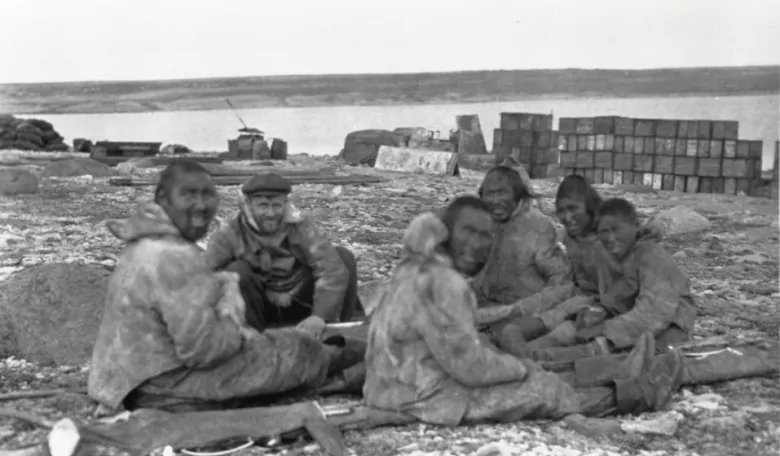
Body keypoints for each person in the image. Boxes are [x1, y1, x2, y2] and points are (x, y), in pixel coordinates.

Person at [363, 196, 686, 425]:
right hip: (425, 398)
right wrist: (521, 370)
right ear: (448, 233)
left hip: (384, 388)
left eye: (485, 236)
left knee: (512, 359)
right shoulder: (446, 283)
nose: (477, 245)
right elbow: (470, 369)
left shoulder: (410, 268)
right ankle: (637, 396)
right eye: (468, 233)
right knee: (546, 390)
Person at [88, 161, 348, 412]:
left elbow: (332, 269)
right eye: (188, 197)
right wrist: (236, 326)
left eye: (207, 198)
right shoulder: (181, 253)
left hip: (118, 381)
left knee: (340, 260)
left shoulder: (142, 243)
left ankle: (342, 335)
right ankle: (342, 357)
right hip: (164, 386)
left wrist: (319, 316)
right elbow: (203, 351)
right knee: (298, 354)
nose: (201, 208)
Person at [525, 197, 697, 362]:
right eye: (604, 232)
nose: (610, 237)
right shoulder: (604, 252)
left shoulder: (653, 257)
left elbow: (652, 316)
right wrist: (594, 313)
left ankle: (550, 359)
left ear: (635, 226)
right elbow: (607, 296)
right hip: (626, 317)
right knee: (569, 328)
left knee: (611, 357)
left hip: (667, 326)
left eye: (616, 230)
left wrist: (605, 331)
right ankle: (528, 352)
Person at [204, 173, 363, 340]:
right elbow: (204, 273)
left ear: (285, 204)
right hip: (257, 305)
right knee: (236, 272)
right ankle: (253, 340)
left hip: (298, 299)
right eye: (263, 206)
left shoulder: (300, 226)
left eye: (277, 206)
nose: (271, 213)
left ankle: (340, 330)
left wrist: (319, 316)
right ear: (248, 206)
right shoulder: (230, 231)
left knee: (343, 257)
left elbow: (330, 269)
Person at [474, 165, 571, 306]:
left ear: (517, 194)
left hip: (526, 308)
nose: (495, 200)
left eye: (502, 193)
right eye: (490, 194)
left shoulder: (537, 226)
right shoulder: (481, 222)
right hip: (486, 303)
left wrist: (539, 310)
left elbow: (560, 277)